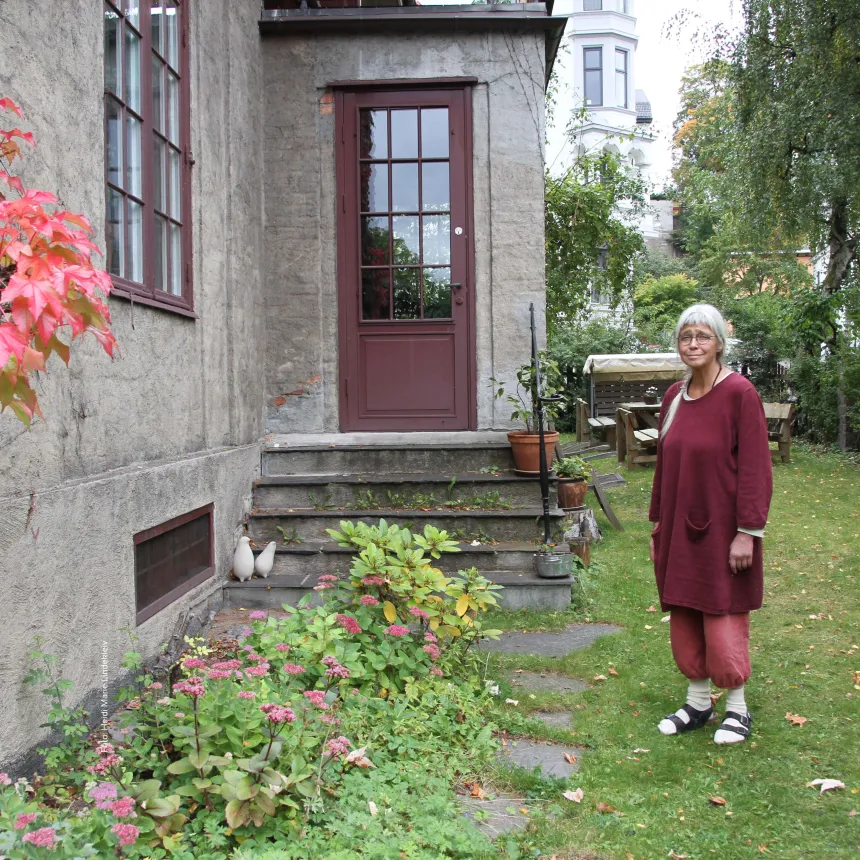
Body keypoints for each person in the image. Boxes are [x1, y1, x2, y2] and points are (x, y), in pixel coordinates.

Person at [648, 304, 773, 744]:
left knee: (722, 613)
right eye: (686, 337)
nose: (693, 344)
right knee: (684, 609)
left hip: (724, 529)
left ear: (720, 343)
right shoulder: (673, 397)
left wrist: (748, 532)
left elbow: (757, 469)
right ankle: (698, 702)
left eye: (702, 336)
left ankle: (737, 709)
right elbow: (664, 467)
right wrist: (658, 523)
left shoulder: (739, 393)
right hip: (679, 526)